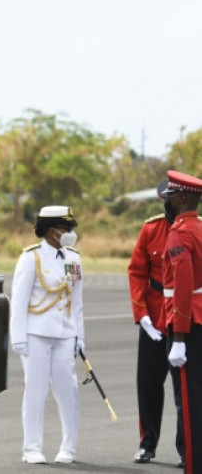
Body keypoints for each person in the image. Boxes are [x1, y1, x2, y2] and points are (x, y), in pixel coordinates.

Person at [10, 206, 84, 464]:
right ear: (51, 230)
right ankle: (31, 448)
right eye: (65, 228)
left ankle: (69, 448)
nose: (69, 233)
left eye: (69, 228)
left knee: (68, 390)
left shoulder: (74, 258)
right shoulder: (31, 257)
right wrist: (18, 337)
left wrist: (79, 337)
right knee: (36, 391)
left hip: (65, 334)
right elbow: (18, 300)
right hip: (36, 334)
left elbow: (77, 301)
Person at [127, 179, 184, 464]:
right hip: (154, 319)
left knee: (184, 389)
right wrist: (142, 315)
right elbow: (137, 271)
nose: (171, 204)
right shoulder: (151, 229)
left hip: (182, 320)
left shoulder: (195, 230)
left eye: (175, 199)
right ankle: (147, 443)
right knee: (148, 385)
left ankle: (187, 449)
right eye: (168, 199)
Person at [162, 170, 202, 473]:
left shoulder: (180, 233)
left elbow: (184, 285)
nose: (168, 200)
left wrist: (178, 338)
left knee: (189, 405)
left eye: (172, 195)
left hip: (189, 326)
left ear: (183, 198)